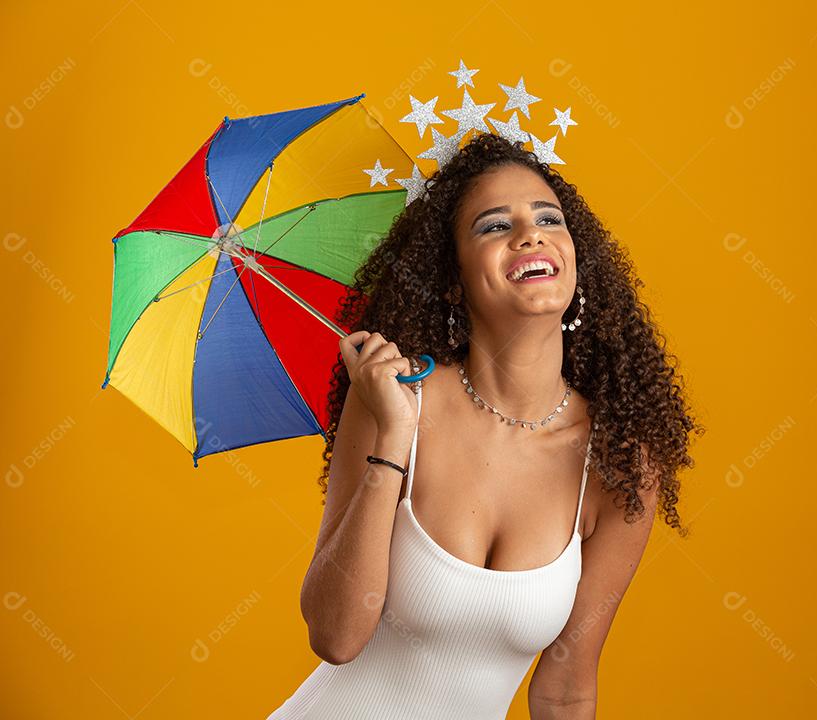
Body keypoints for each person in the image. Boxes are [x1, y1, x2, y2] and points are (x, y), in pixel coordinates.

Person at [267, 132, 702, 719]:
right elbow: (334, 635)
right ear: (453, 279)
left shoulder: (620, 461)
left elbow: (566, 686)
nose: (530, 233)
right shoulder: (393, 401)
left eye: (549, 218)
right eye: (494, 225)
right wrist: (393, 439)